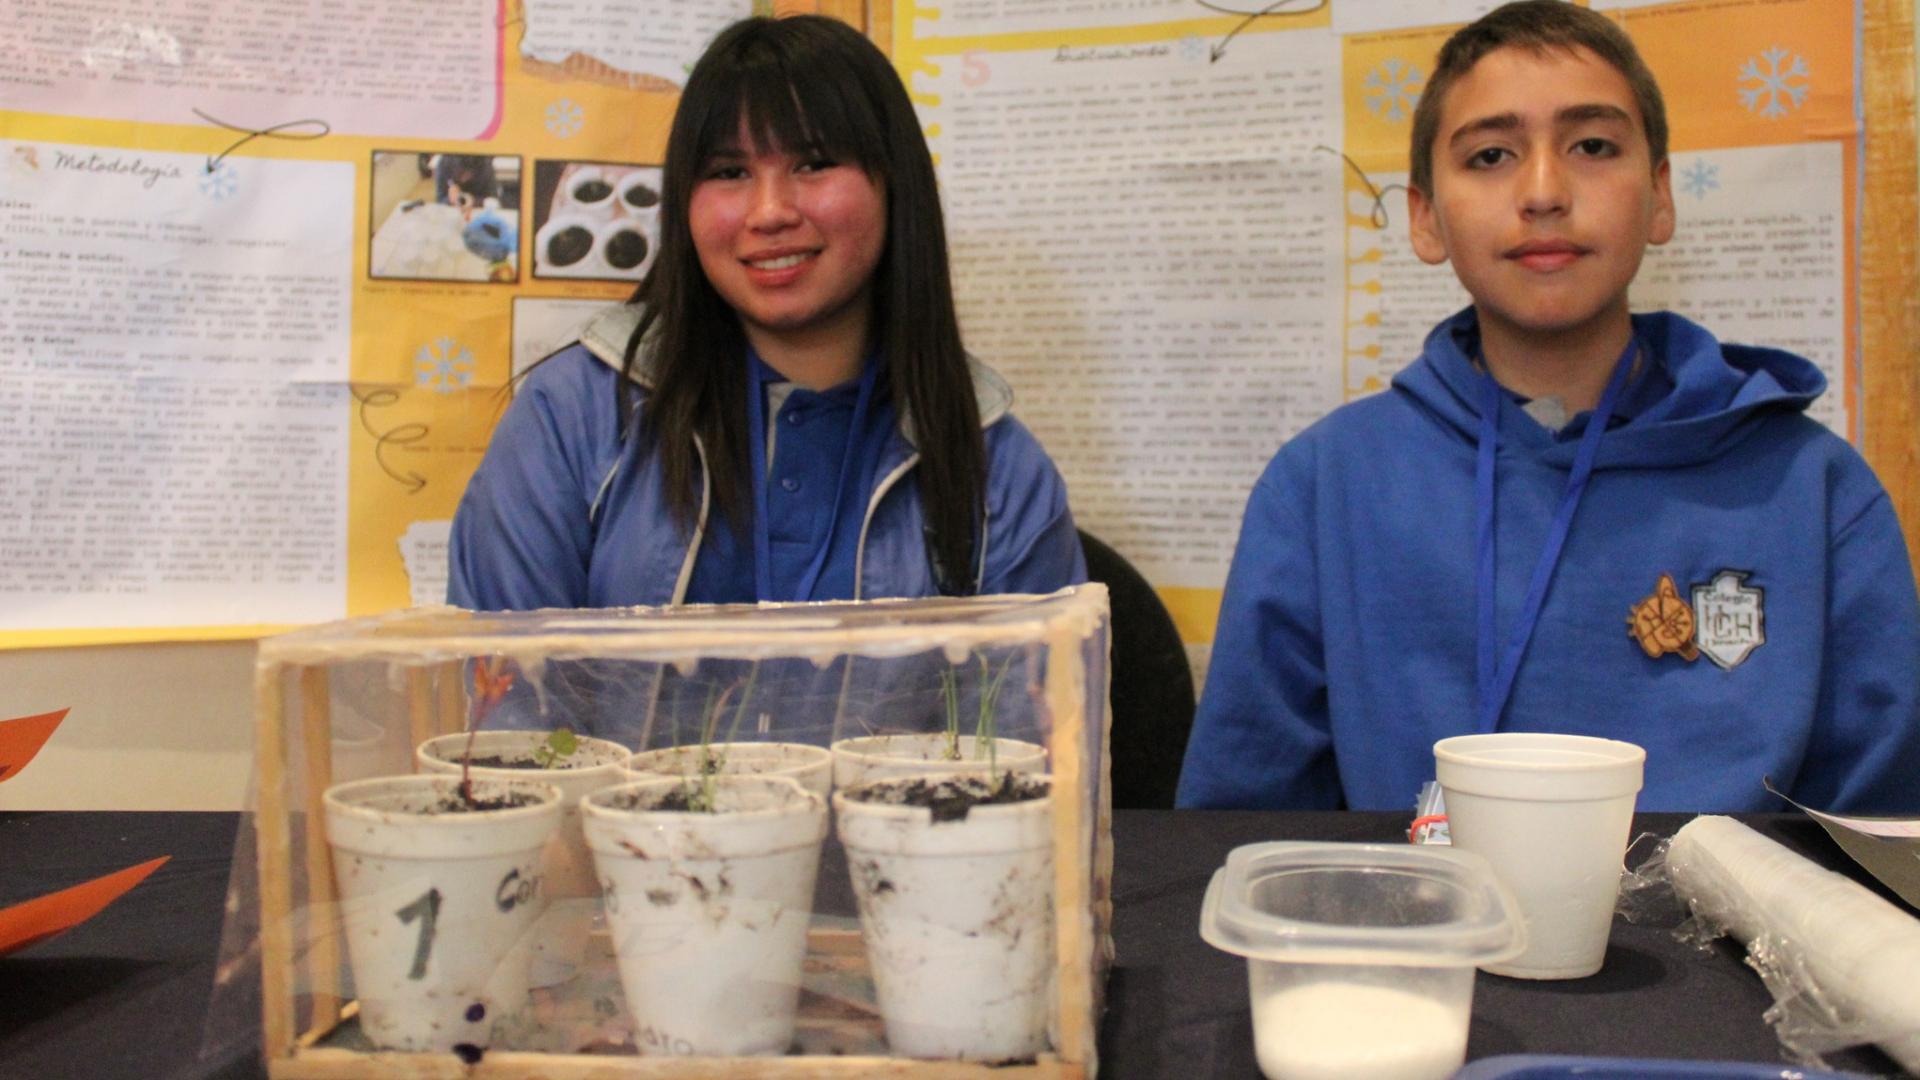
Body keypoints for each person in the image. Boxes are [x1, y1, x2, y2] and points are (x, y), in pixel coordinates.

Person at [1177, 1, 1920, 813]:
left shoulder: (1812, 489)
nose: (1543, 191)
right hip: (1419, 933)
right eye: (1491, 154)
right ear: (1426, 218)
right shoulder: (1324, 485)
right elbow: (1244, 826)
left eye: (1593, 146)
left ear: (1660, 196)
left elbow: (1884, 837)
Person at [448, 15, 1085, 613]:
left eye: (813, 164)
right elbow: (501, 704)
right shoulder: (571, 419)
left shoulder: (995, 468)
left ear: (895, 183)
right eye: (729, 171)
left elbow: (1030, 722)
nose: (769, 211)